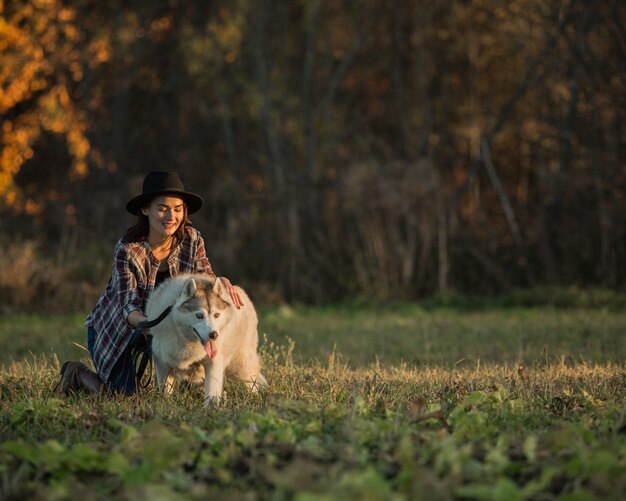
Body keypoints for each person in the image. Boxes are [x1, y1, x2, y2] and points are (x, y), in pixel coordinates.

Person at [55, 171, 243, 395]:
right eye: (162, 208)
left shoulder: (192, 239)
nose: (171, 216)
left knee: (191, 387)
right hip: (121, 329)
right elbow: (128, 307)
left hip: (167, 328)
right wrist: (152, 325)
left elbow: (205, 281)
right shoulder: (127, 250)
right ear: (145, 210)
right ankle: (77, 373)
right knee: (119, 397)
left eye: (178, 209)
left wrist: (217, 281)